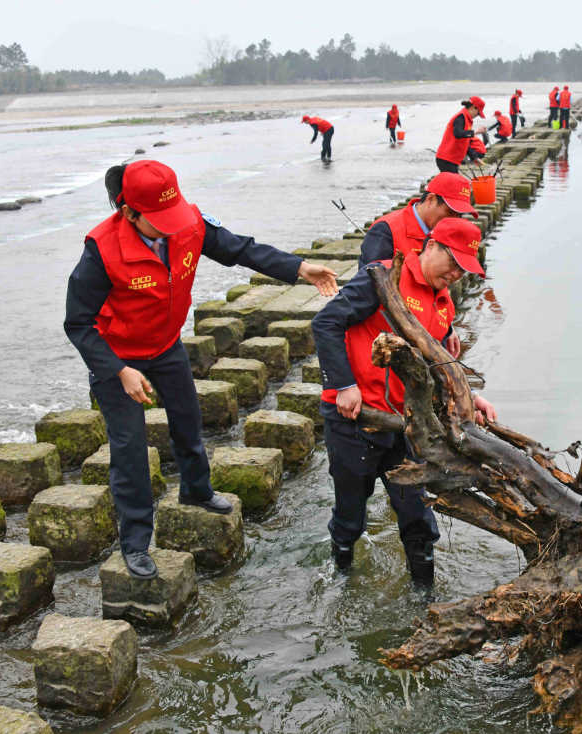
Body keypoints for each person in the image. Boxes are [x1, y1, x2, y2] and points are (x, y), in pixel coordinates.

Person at [64, 160, 338, 579]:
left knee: (189, 419)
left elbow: (240, 249)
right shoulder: (101, 250)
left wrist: (299, 268)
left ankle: (196, 490)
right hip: (116, 354)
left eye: (173, 217)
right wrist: (118, 370)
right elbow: (78, 323)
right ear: (129, 213)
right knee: (130, 449)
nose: (172, 229)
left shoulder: (188, 224)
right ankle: (136, 541)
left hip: (165, 342)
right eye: (159, 222)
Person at [311, 217, 497, 586]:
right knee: (351, 515)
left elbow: (436, 362)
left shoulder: (444, 304)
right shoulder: (382, 279)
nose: (458, 274)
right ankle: (341, 581)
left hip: (407, 425)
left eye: (466, 269)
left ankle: (423, 595)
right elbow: (325, 324)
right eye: (454, 263)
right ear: (431, 247)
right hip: (354, 419)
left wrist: (468, 397)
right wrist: (344, 384)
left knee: (417, 515)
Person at [358, 171, 477, 268]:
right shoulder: (385, 230)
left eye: (459, 215)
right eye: (450, 213)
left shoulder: (447, 235)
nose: (454, 220)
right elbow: (370, 283)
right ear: (430, 199)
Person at [435, 96, 487, 173]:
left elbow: (465, 143)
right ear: (473, 107)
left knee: (454, 183)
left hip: (452, 160)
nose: (477, 116)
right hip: (446, 159)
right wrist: (475, 132)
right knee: (454, 183)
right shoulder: (461, 117)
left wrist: (475, 158)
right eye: (478, 113)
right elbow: (457, 133)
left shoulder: (467, 119)